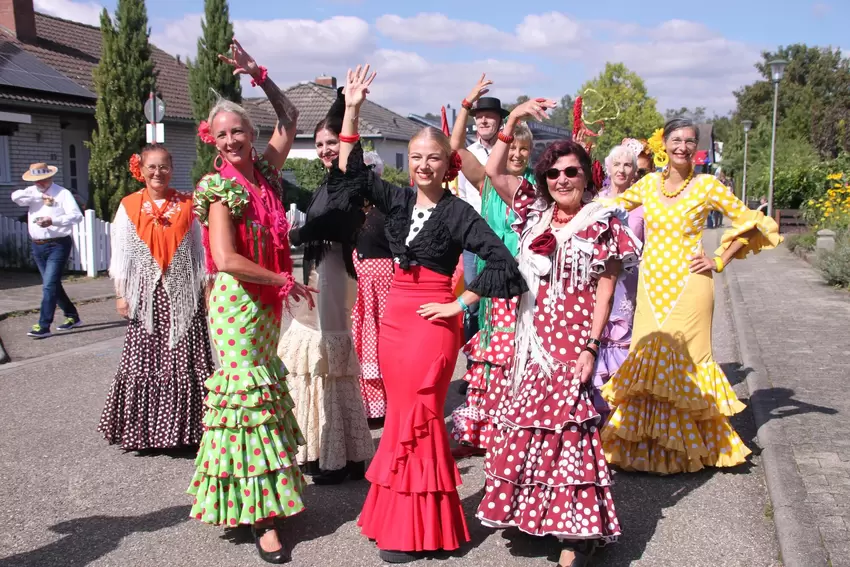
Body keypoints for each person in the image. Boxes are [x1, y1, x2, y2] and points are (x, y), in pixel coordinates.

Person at [332, 65, 528, 564]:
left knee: (420, 416)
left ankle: (415, 529)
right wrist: (352, 107)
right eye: (416, 157)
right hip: (394, 324)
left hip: (434, 327)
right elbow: (350, 173)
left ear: (449, 163)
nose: (422, 165)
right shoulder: (395, 200)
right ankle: (396, 518)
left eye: (432, 158)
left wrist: (458, 302)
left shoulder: (460, 212)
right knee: (400, 418)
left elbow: (505, 263)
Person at [475, 98, 639, 567]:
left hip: (572, 343)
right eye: (554, 174)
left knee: (571, 432)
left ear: (588, 176)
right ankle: (539, 515)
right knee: (530, 428)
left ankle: (576, 532)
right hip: (532, 340)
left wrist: (592, 345)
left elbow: (606, 291)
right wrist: (512, 120)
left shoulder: (605, 221)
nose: (562, 180)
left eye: (571, 172)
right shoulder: (532, 212)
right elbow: (493, 170)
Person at [188, 40, 315, 564]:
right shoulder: (221, 189)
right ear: (212, 141)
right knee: (244, 405)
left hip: (263, 301)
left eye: (238, 130)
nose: (232, 139)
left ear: (250, 134)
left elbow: (290, 115)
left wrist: (258, 75)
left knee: (260, 400)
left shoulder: (263, 171)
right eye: (222, 134)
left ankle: (259, 497)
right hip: (237, 304)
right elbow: (227, 258)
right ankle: (261, 518)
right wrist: (283, 280)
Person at [600, 118, 782, 475]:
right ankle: (644, 449)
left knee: (688, 362)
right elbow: (609, 206)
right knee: (646, 361)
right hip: (651, 288)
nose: (682, 146)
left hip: (691, 286)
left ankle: (687, 450)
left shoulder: (707, 186)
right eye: (676, 140)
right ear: (664, 145)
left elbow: (751, 221)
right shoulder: (649, 184)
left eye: (689, 141)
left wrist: (718, 260)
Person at [278, 87, 374, 484]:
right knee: (314, 358)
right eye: (319, 144)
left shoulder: (351, 180)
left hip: (334, 272)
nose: (324, 150)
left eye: (331, 142)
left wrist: (298, 236)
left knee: (325, 357)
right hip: (322, 272)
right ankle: (325, 448)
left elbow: (337, 224)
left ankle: (338, 455)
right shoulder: (327, 181)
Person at [98, 145, 214, 451]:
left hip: (183, 295)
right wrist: (122, 294)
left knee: (185, 359)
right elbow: (121, 253)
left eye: (163, 166)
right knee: (146, 359)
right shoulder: (129, 205)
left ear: (172, 168)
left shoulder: (189, 204)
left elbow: (201, 251)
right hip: (147, 296)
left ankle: (189, 432)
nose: (157, 173)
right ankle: (146, 433)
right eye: (151, 167)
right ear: (141, 169)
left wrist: (206, 288)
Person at [448, 74, 535, 456]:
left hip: (528, 272)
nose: (516, 154)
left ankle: (520, 418)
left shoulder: (538, 184)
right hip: (489, 261)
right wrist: (465, 107)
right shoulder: (485, 176)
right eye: (511, 148)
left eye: (522, 149)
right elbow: (454, 151)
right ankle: (483, 421)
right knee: (488, 339)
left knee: (523, 344)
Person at [592, 142, 646, 418]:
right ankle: (596, 406)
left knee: (622, 337)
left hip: (630, 282)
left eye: (628, 165)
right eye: (617, 164)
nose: (622, 170)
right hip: (599, 278)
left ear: (635, 171)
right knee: (598, 334)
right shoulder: (596, 201)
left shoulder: (643, 205)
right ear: (608, 168)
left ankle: (622, 409)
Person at [457, 92, 509, 345]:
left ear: (500, 122)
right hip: (474, 238)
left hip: (503, 234)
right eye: (479, 117)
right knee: (473, 301)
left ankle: (498, 356)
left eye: (489, 116)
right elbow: (465, 198)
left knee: (502, 299)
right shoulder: (468, 154)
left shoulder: (511, 152)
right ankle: (472, 362)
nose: (484, 121)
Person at [11, 162, 83, 339]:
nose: (40, 183)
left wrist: (53, 221)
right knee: (53, 285)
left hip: (58, 244)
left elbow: (76, 216)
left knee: (49, 285)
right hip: (37, 245)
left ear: (50, 177)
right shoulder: (32, 192)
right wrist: (32, 194)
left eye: (43, 179)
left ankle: (43, 325)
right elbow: (16, 197)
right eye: (36, 180)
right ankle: (72, 316)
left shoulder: (63, 193)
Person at [351, 150, 392, 422]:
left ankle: (389, 403)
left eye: (369, 170)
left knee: (382, 339)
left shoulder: (389, 203)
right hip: (359, 280)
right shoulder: (351, 204)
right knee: (363, 338)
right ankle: (367, 404)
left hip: (385, 281)